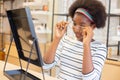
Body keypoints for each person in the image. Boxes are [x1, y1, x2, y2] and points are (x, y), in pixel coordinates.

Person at [43, 0, 107, 80]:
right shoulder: (66, 40)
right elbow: (46, 65)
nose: (76, 29)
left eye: (82, 25)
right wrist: (57, 38)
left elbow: (90, 78)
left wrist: (86, 45)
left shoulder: (100, 48)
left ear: (93, 27)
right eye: (74, 24)